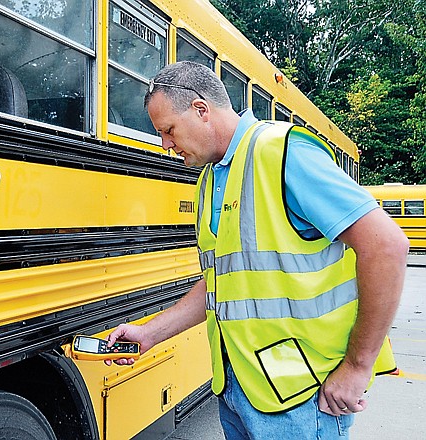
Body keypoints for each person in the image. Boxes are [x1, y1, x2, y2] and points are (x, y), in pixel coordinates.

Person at [105, 61, 409, 439]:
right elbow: (222, 280)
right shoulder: (211, 178)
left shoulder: (281, 153)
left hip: (303, 397)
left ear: (201, 110)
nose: (165, 145)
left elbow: (387, 247)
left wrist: (357, 368)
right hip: (240, 389)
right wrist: (151, 332)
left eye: (168, 130)